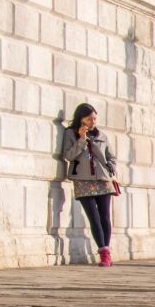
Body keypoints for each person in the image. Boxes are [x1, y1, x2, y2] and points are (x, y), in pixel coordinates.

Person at [61, 103, 119, 266]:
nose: (93, 122)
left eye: (94, 118)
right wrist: (81, 139)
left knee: (105, 217)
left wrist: (111, 167)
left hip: (102, 179)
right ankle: (103, 251)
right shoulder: (70, 134)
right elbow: (69, 156)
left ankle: (106, 251)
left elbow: (111, 156)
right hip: (83, 180)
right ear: (81, 119)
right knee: (93, 217)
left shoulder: (102, 136)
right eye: (89, 119)